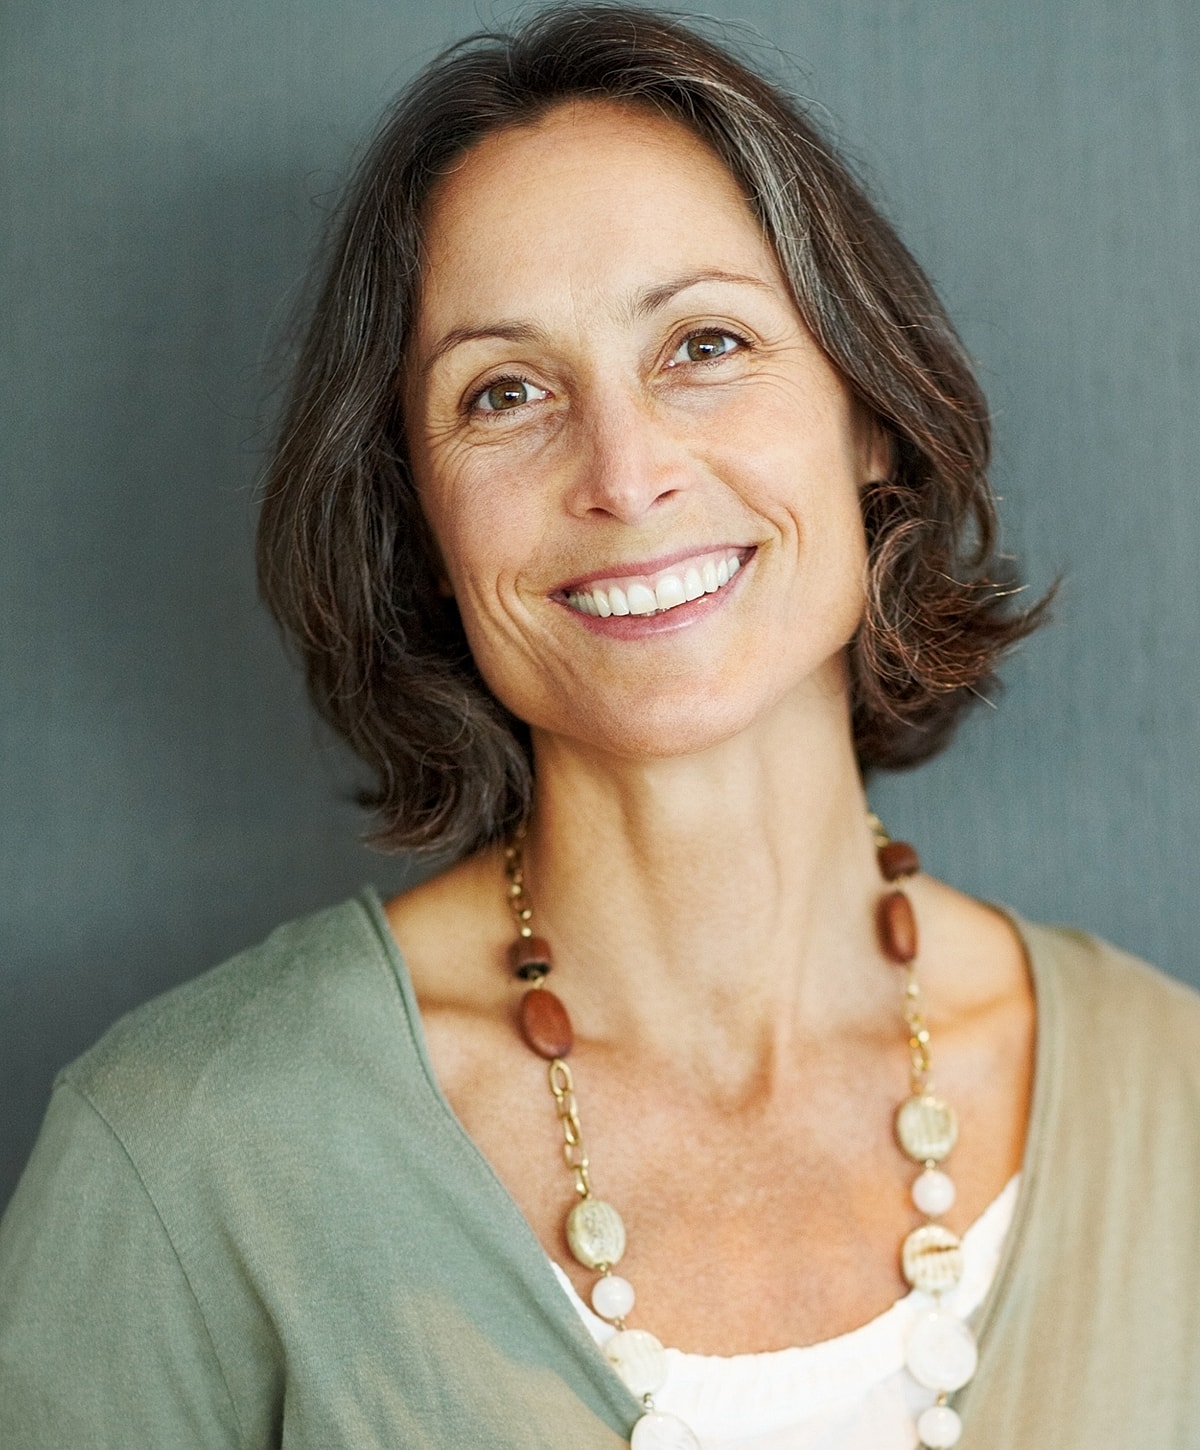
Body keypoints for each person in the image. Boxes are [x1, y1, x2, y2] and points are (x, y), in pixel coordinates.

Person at [2, 6, 1198, 1448]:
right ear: (420, 518)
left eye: (704, 343)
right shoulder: (192, 1153)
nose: (624, 474)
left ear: (867, 412)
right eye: (503, 391)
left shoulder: (1173, 1099)